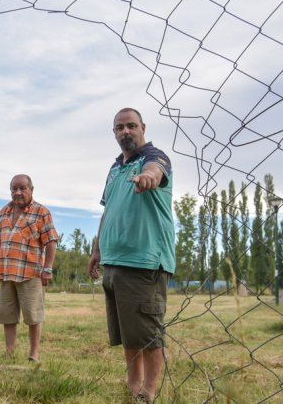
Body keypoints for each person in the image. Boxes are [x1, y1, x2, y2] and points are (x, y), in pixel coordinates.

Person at [87, 108, 175, 403]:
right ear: (114, 132)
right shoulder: (114, 169)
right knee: (128, 332)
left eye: (131, 126)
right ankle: (132, 384)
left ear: (143, 128)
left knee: (148, 334)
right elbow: (107, 209)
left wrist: (148, 178)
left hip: (144, 262)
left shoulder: (154, 157)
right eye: (120, 127)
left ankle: (148, 392)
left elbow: (156, 171)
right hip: (113, 261)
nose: (126, 131)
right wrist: (97, 250)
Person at [0, 174, 58, 362]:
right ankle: (10, 353)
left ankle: (34, 353)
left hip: (31, 274)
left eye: (22, 188)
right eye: (14, 189)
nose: (18, 192)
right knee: (8, 316)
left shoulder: (41, 212)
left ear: (31, 190)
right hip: (6, 272)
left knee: (33, 316)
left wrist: (48, 268)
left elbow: (51, 242)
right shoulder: (3, 212)